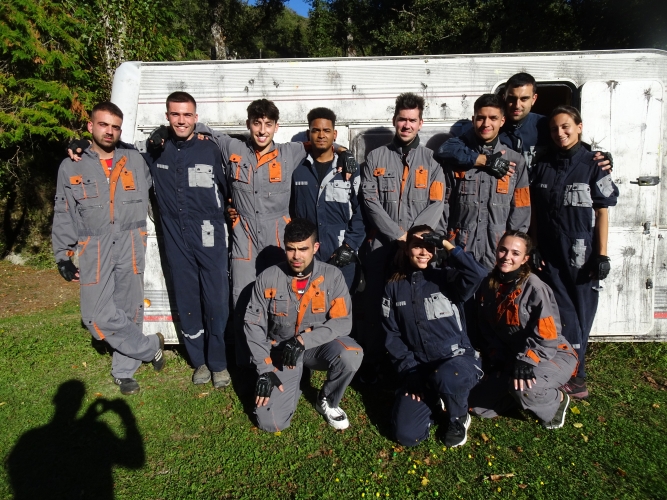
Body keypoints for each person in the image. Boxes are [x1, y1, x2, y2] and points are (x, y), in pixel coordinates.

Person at [186, 99, 356, 366]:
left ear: (276, 127)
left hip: (277, 238)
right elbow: (201, 128)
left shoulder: (291, 152)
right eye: (257, 123)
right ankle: (247, 365)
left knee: (281, 300)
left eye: (268, 124)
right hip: (244, 238)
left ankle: (280, 359)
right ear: (248, 125)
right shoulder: (232, 147)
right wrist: (162, 134)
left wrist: (344, 152)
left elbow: (321, 143)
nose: (262, 130)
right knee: (242, 300)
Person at [52, 102, 164, 395]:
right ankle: (149, 347)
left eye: (115, 127)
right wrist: (63, 254)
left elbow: (164, 159)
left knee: (129, 308)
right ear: (90, 126)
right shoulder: (72, 165)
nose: (109, 131)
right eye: (103, 125)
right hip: (94, 245)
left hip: (131, 240)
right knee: (94, 314)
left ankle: (124, 371)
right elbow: (64, 211)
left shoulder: (135, 160)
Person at [142, 91, 231, 388]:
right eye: (175, 114)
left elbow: (228, 188)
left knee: (216, 302)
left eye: (187, 114)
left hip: (210, 236)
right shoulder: (157, 151)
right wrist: (81, 147)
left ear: (196, 117)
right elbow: (121, 154)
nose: (181, 120)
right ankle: (200, 362)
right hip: (176, 237)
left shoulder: (210, 150)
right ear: (167, 116)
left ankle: (218, 363)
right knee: (188, 300)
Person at [530, 105, 619, 399]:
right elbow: (535, 210)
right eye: (554, 128)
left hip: (582, 253)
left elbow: (602, 210)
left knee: (582, 313)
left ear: (579, 127)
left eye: (566, 126)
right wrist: (534, 245)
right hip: (550, 252)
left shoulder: (594, 164)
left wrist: (602, 254)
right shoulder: (543, 165)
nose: (560, 133)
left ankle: (578, 377)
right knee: (561, 312)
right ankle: (563, 367)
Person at [359, 92, 446, 383]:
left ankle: (413, 362)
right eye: (401, 119)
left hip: (417, 250)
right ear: (394, 120)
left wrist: (413, 241)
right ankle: (373, 361)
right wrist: (398, 236)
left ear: (421, 123)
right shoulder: (376, 157)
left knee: (412, 306)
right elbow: (370, 200)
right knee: (376, 305)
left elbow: (436, 203)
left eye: (412, 120)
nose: (406, 125)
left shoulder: (432, 162)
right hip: (381, 247)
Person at [244, 218, 363, 431]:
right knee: (271, 423)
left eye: (303, 249)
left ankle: (327, 400)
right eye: (291, 249)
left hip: (316, 347)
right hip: (281, 351)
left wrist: (303, 340)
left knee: (351, 354)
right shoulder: (268, 278)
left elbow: (343, 322)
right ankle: (293, 379)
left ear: (315, 248)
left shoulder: (333, 276)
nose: (296, 256)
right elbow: (253, 325)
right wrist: (264, 369)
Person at [382, 225, 486, 447]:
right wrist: (409, 370)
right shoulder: (393, 287)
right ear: (406, 249)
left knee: (449, 376)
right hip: (420, 368)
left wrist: (447, 245)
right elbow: (392, 334)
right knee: (406, 435)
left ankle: (458, 418)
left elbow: (478, 274)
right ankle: (436, 399)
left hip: (457, 360)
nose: (423, 252)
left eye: (429, 247)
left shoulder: (447, 278)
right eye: (417, 246)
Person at [470, 230, 579, 429]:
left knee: (526, 389)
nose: (507, 257)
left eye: (515, 253)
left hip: (550, 354)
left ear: (525, 258)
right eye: (503, 250)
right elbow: (486, 328)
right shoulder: (487, 285)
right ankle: (517, 394)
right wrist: (495, 357)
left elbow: (547, 335)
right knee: (478, 406)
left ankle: (557, 400)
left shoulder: (535, 287)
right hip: (513, 356)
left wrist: (527, 359)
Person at [435, 93, 530, 270]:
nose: (486, 124)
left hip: (497, 254)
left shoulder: (515, 161)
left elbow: (521, 209)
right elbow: (443, 204)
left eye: (493, 118)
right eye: (481, 118)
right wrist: (441, 242)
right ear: (473, 120)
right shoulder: (457, 159)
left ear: (502, 121)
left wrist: (515, 250)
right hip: (460, 250)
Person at [290, 107, 365, 290]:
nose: (321, 135)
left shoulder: (349, 170)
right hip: (307, 256)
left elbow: (362, 212)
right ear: (308, 134)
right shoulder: (297, 169)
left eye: (326, 130)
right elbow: (289, 210)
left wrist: (349, 246)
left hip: (341, 254)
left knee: (342, 305)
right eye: (316, 130)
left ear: (334, 134)